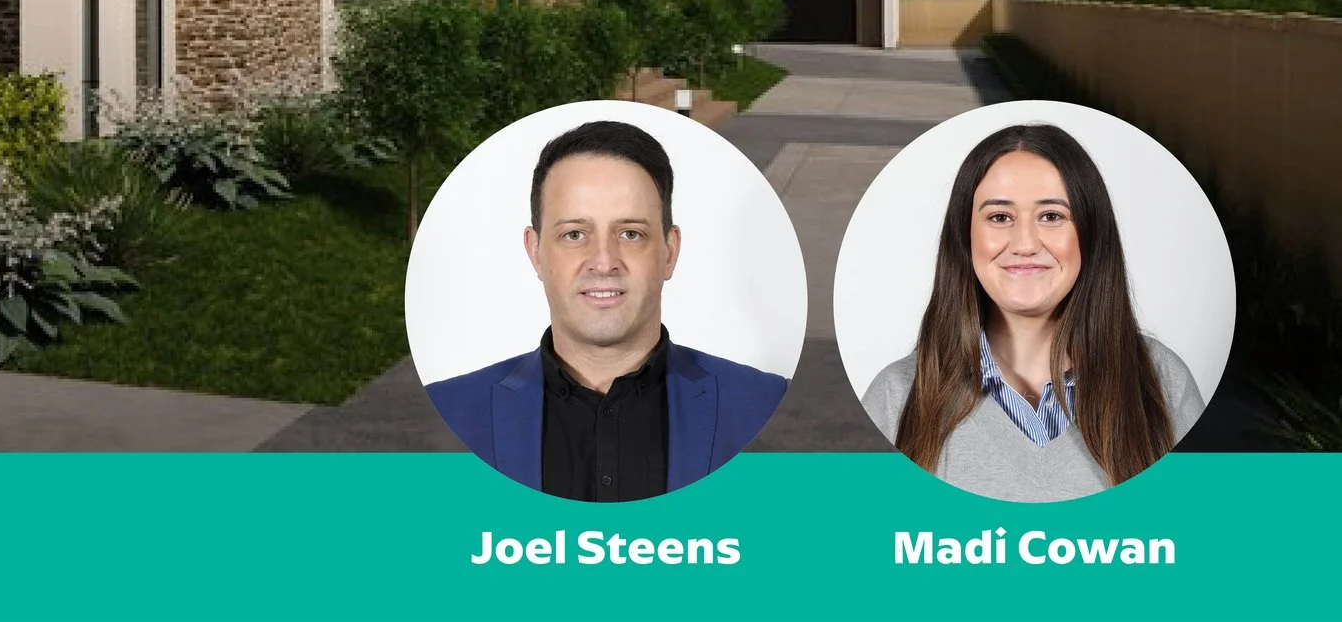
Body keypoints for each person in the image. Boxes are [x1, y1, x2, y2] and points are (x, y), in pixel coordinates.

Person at [424, 119, 790, 499]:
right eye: (574, 234)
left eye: (630, 233)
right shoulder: (446, 411)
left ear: (669, 252)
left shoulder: (765, 404)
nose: (603, 261)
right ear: (535, 252)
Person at [860, 123, 1204, 502]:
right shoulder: (896, 397)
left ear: (1091, 234)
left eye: (1052, 216)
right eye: (1000, 217)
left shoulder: (1163, 383)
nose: (1025, 244)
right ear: (965, 237)